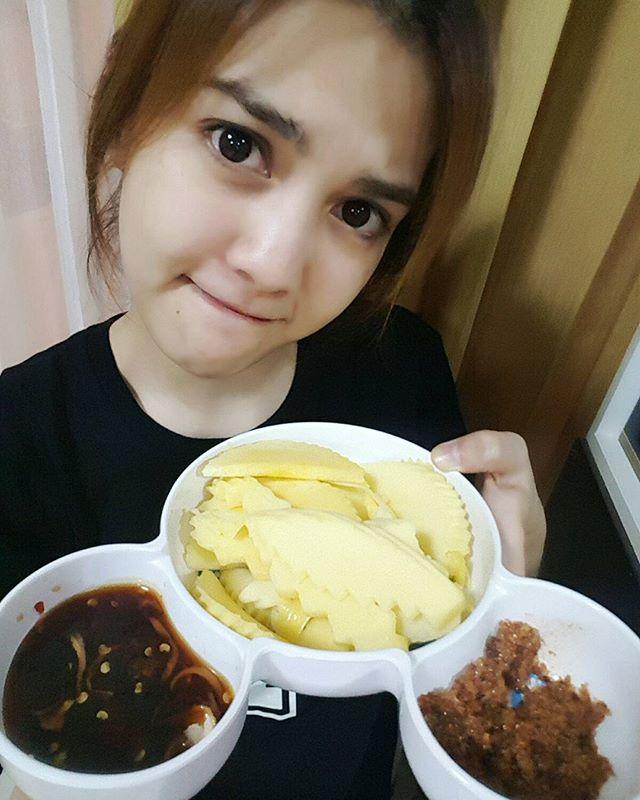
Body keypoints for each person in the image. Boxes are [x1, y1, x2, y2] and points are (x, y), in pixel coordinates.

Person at [0, 1, 546, 798]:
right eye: (238, 143)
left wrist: (506, 608)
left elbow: (446, 688)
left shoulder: (405, 376)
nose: (273, 264)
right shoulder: (18, 439)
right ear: (127, 107)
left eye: (357, 212)